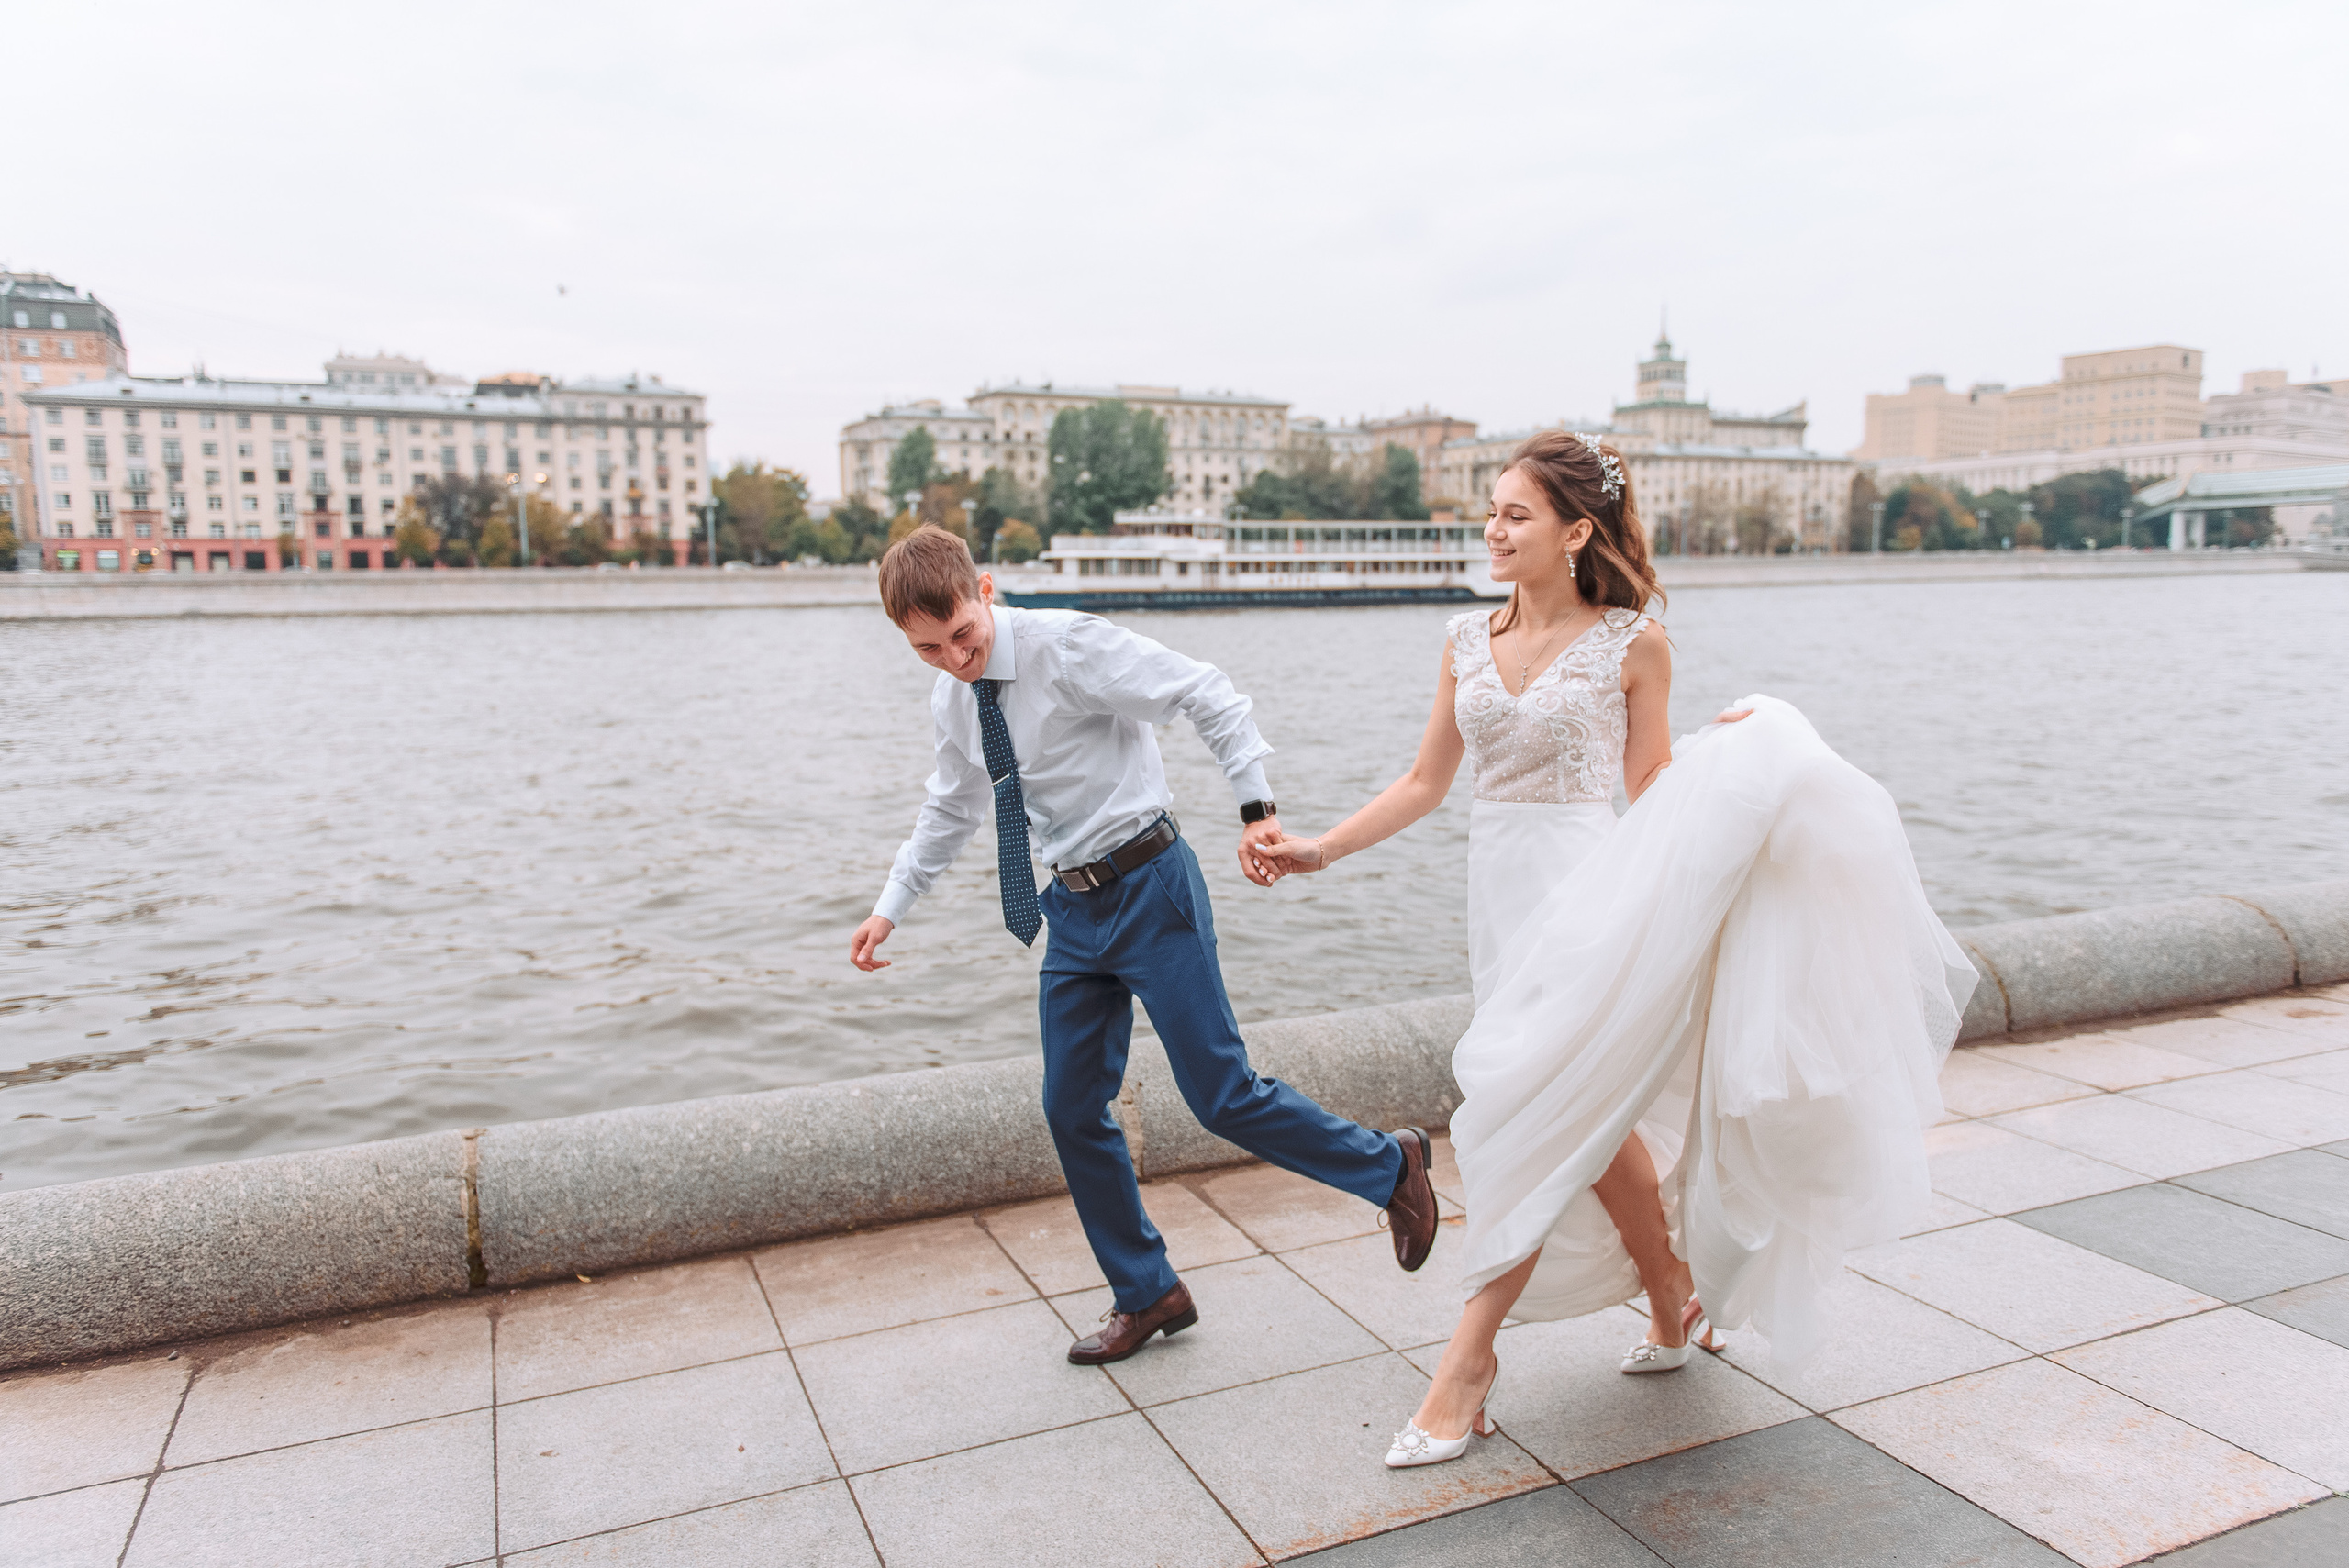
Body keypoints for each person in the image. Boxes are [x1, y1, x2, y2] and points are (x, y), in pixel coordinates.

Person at [1255, 431, 1975, 1467]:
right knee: (1590, 1121)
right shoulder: (1465, 639)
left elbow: (1648, 790)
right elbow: (1425, 783)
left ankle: (1466, 1362)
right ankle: (1673, 1293)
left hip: (1595, 900)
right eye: (1491, 511)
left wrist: (1742, 754)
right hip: (1500, 907)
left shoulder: (1632, 642)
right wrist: (1320, 846)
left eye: (1515, 514)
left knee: (1517, 1109)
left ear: (1575, 528)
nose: (1492, 529)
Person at [850, 525, 1441, 1367]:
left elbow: (1209, 691)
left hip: (1150, 882)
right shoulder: (953, 697)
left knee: (1221, 1094)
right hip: (1071, 908)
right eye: (928, 650)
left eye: (963, 637)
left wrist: (1255, 807)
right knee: (1070, 1107)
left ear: (985, 589)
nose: (954, 660)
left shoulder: (1068, 646)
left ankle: (1390, 1168)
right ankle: (1148, 1291)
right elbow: (952, 807)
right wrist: (891, 906)